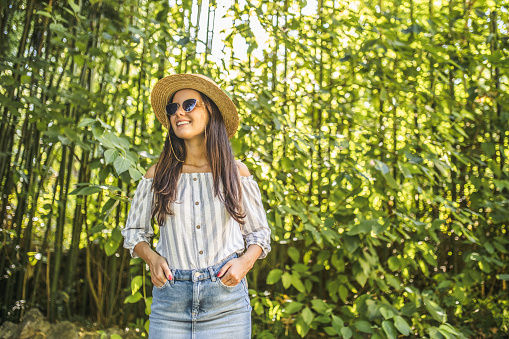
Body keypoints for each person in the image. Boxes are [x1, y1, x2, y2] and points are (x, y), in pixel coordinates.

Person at [120, 73, 272, 339]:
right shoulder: (157, 174)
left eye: (189, 105)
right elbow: (134, 233)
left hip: (226, 303)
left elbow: (259, 235)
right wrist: (152, 259)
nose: (179, 112)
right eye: (172, 108)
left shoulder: (236, 173)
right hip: (171, 302)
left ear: (210, 112)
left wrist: (244, 264)